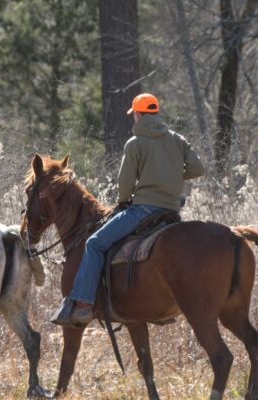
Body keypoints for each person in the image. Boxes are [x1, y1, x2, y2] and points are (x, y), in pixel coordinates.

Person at [51, 93, 206, 327]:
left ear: (139, 114)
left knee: (94, 243)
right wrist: (170, 176)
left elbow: (125, 182)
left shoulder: (135, 143)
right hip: (171, 210)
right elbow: (198, 168)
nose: (134, 117)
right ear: (155, 112)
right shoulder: (177, 139)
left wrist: (123, 200)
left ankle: (82, 304)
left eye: (134, 114)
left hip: (143, 209)